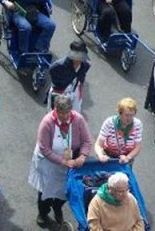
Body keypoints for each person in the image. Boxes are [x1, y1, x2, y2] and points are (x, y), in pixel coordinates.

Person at [29, 95, 92, 227]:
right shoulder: (47, 122)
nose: (64, 116)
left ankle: (57, 207)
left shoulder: (78, 120)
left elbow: (87, 141)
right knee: (46, 191)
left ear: (71, 110)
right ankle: (43, 213)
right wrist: (63, 161)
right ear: (55, 110)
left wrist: (82, 156)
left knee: (65, 190)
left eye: (67, 112)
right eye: (61, 113)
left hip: (70, 160)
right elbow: (44, 149)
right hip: (49, 162)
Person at [95, 97, 143, 165]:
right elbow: (98, 144)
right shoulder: (109, 122)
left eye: (132, 115)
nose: (129, 118)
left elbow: (137, 146)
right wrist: (100, 155)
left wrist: (128, 158)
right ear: (120, 113)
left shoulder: (138, 124)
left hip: (127, 157)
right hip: (109, 156)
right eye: (126, 115)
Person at [47, 40, 90, 112]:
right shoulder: (60, 65)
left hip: (74, 91)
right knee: (56, 113)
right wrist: (58, 83)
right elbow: (51, 70)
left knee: (75, 113)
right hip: (59, 91)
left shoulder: (85, 65)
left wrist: (79, 86)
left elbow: (82, 76)